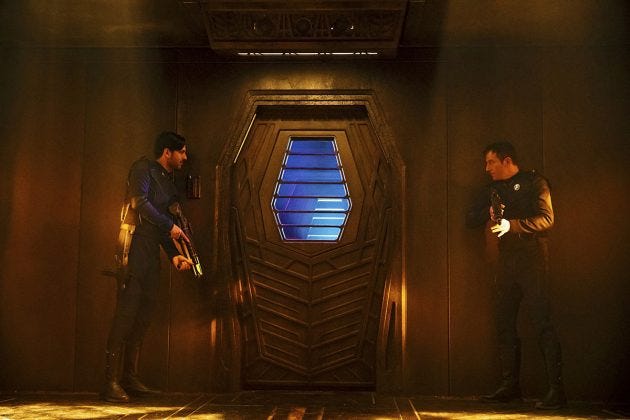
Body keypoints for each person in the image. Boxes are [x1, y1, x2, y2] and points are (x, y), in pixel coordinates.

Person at [466, 141, 566, 410]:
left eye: (491, 162)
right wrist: (487, 213)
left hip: (533, 261)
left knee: (542, 323)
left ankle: (557, 391)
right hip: (506, 263)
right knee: (504, 323)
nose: (487, 168)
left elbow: (547, 219)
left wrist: (512, 225)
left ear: (507, 161)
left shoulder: (535, 182)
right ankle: (510, 388)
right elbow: (470, 218)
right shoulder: (492, 189)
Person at [103, 131, 194, 403]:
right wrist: (170, 226)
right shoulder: (143, 168)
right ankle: (110, 382)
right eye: (182, 151)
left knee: (143, 316)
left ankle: (129, 378)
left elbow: (162, 226)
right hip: (133, 251)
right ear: (167, 152)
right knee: (125, 315)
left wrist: (173, 255)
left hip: (151, 254)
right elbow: (139, 202)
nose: (185, 157)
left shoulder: (168, 181)